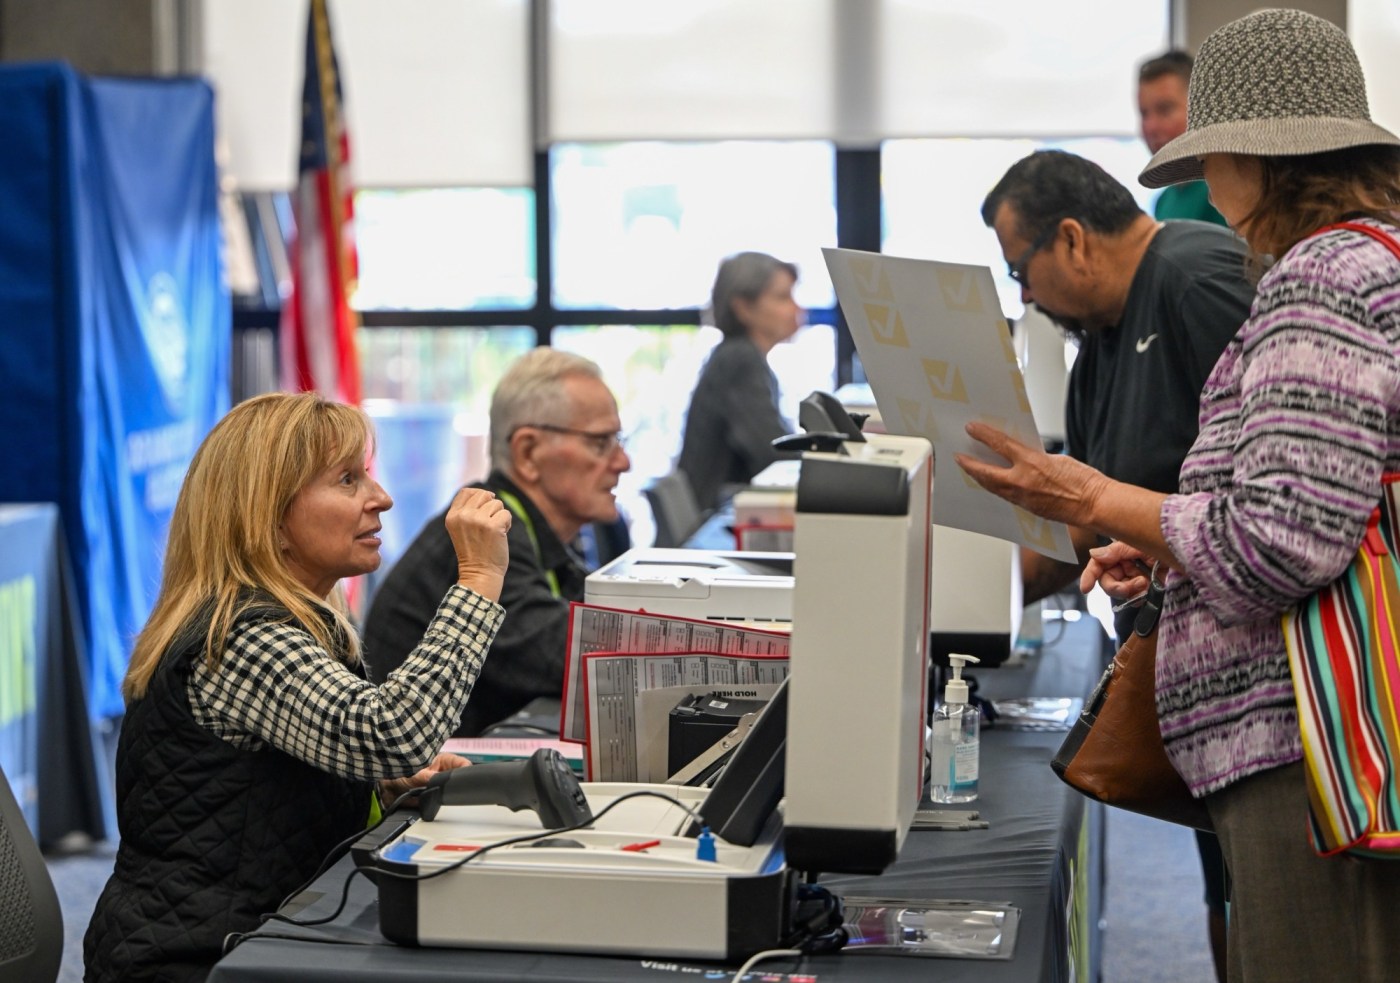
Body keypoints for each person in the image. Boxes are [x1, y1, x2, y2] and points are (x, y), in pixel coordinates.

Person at [958, 10, 1400, 980]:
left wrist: (1093, 497)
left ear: (1252, 159)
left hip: (1301, 742)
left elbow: (1277, 540)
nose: (1206, 186)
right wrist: (1166, 545)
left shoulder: (1321, 277)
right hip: (1320, 733)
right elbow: (1310, 501)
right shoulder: (1366, 262)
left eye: (1208, 158)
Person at [82, 392, 511, 982]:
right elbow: (392, 734)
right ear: (268, 519)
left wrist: (378, 782)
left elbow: (280, 782)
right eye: (348, 479)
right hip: (201, 965)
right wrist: (479, 579)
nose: (381, 498)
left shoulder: (289, 624)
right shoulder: (240, 637)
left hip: (250, 941)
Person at [982, 148, 1250, 981]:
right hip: (1195, 675)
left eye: (1021, 271)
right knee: (1228, 889)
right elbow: (1088, 521)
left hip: (1260, 672)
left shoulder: (1196, 277)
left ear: (1072, 238)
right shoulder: (1101, 333)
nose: (1025, 297)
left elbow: (1269, 489)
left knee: (1263, 901)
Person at [363, 347, 631, 736]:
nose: (623, 462)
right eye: (600, 442)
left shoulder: (539, 527)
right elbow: (568, 653)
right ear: (528, 453)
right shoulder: (482, 534)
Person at [677, 250, 804, 512]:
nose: (796, 309)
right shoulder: (740, 360)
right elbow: (773, 453)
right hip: (714, 518)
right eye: (783, 297)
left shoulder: (735, 355)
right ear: (744, 307)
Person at [1138, 50, 1227, 227]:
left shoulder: (1224, 190)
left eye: (1165, 109)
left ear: (1200, 108)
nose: (1150, 127)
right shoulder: (1164, 201)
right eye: (1144, 113)